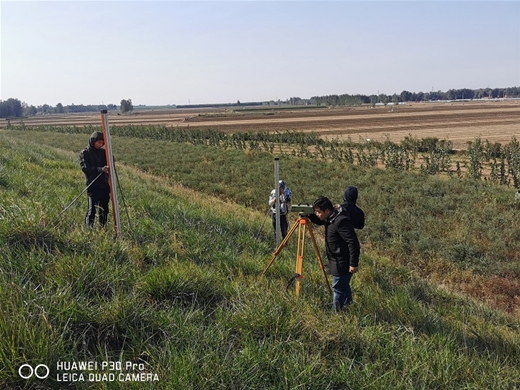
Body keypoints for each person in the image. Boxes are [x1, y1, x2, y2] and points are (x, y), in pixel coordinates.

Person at [308, 196, 360, 312]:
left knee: (337, 288)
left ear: (327, 211)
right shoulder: (330, 217)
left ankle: (336, 313)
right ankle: (348, 308)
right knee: (343, 286)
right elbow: (319, 220)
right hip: (336, 260)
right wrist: (309, 215)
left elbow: (353, 242)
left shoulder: (340, 221)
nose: (317, 214)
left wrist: (353, 263)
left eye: (319, 212)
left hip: (342, 261)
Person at [79, 131, 110, 227]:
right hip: (93, 186)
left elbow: (108, 164)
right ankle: (89, 230)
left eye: (102, 143)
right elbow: (85, 168)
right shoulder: (85, 153)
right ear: (93, 141)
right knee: (92, 209)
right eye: (98, 142)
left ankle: (103, 228)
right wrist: (100, 169)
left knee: (104, 209)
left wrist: (111, 160)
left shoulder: (104, 152)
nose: (100, 145)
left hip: (104, 185)